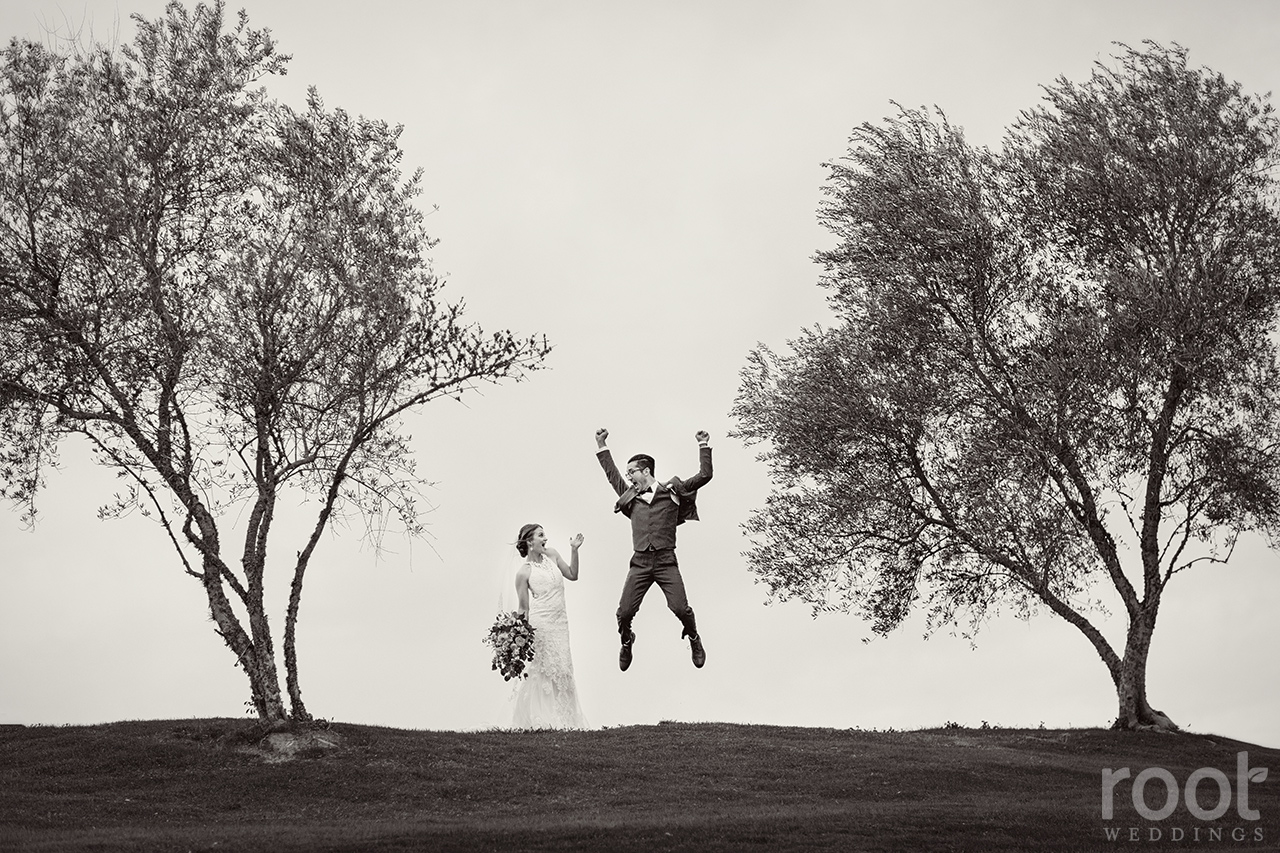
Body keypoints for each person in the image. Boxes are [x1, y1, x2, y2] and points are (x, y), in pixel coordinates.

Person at [594, 427, 712, 671]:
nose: (628, 477)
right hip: (640, 563)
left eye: (632, 472)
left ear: (646, 471)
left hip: (666, 561)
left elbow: (704, 476)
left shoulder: (672, 492)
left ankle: (693, 637)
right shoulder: (630, 497)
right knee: (624, 613)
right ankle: (627, 641)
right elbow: (611, 475)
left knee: (680, 608)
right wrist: (601, 445)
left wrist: (703, 445)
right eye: (627, 474)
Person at [510, 523, 589, 729]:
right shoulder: (523, 573)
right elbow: (523, 608)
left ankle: (566, 720)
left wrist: (574, 550)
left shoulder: (552, 555)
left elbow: (572, 574)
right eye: (541, 535)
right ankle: (541, 719)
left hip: (561, 623)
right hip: (541, 625)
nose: (546, 539)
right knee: (544, 670)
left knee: (563, 669)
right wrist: (519, 637)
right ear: (530, 542)